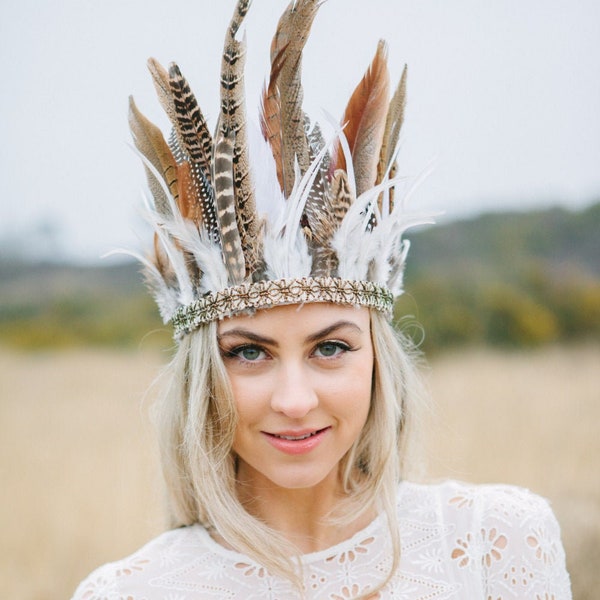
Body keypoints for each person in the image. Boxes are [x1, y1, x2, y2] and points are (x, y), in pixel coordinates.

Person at [72, 1, 572, 598]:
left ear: (378, 360)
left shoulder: (497, 542)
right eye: (248, 354)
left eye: (331, 347)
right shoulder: (132, 591)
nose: (294, 399)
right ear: (201, 372)